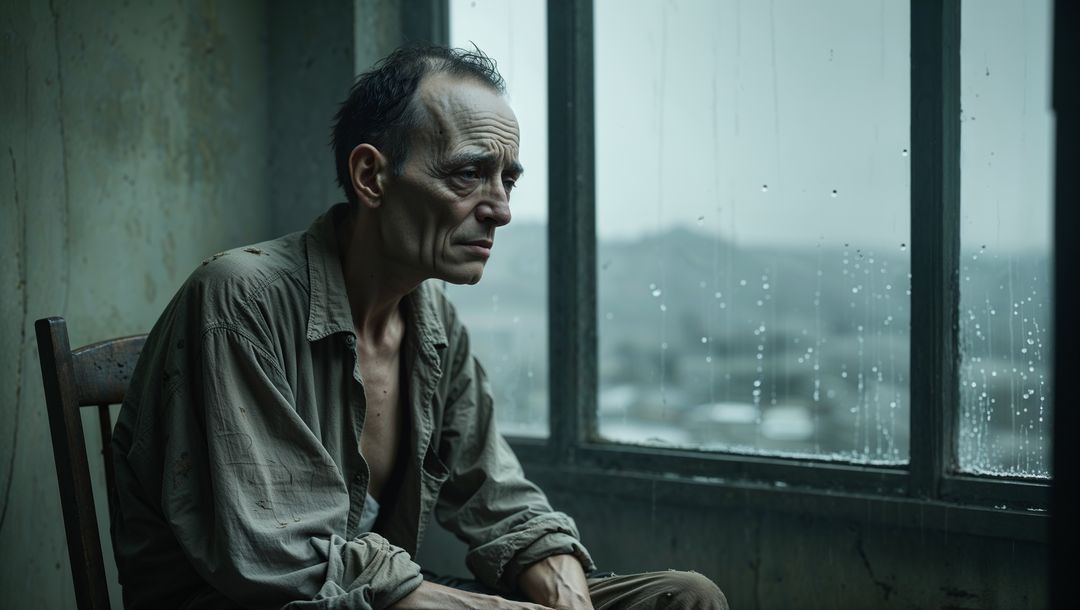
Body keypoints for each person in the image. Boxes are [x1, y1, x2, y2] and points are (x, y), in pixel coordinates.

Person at [111, 45, 728, 610]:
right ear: (371, 177)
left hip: (377, 597)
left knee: (684, 599)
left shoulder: (433, 325)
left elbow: (503, 503)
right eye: (468, 174)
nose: (502, 209)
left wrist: (567, 595)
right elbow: (288, 564)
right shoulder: (239, 299)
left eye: (506, 179)